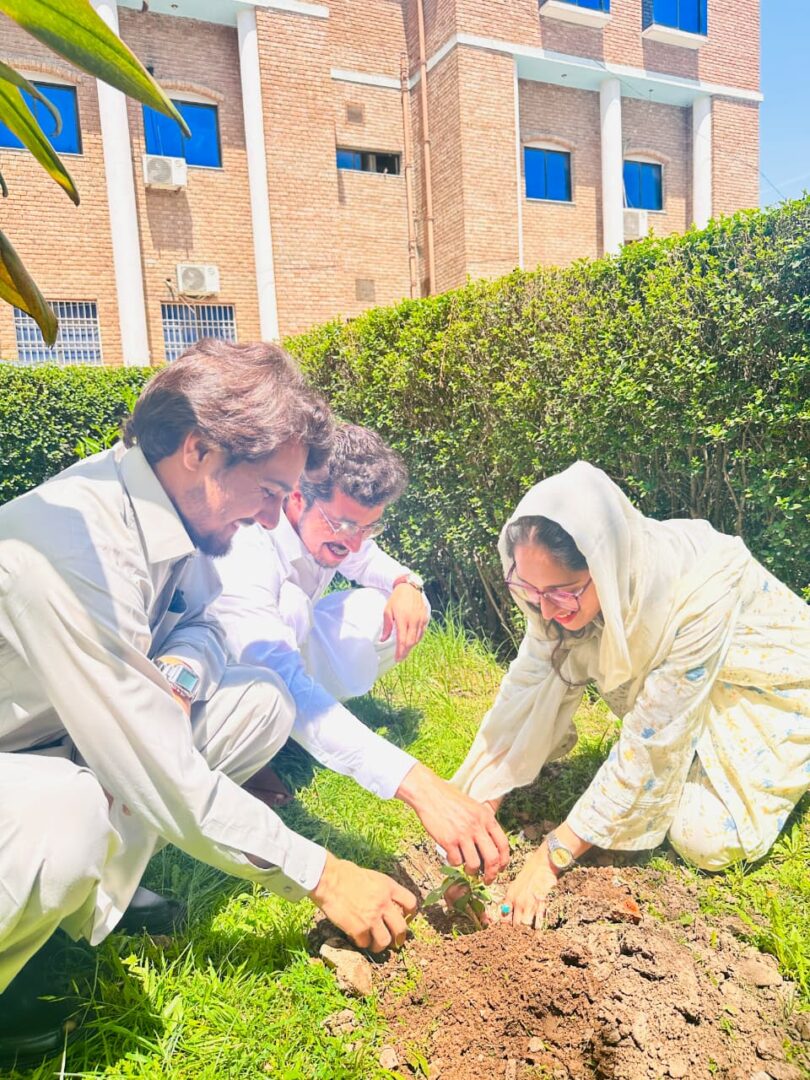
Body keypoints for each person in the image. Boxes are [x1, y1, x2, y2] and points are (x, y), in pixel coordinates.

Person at [0, 342, 416, 1067]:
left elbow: (207, 623)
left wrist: (184, 676)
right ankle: (23, 944)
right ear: (199, 449)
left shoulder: (178, 512)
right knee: (69, 811)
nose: (268, 519)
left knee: (258, 702)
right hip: (22, 760)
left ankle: (82, 896)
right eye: (267, 491)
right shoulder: (73, 544)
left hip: (60, 735)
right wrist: (324, 875)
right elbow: (154, 765)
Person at [452, 461, 810, 928]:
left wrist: (548, 859)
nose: (542, 609)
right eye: (527, 588)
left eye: (559, 594)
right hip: (688, 688)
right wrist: (478, 807)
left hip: (770, 686)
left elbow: (652, 739)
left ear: (605, 567)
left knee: (704, 838)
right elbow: (524, 692)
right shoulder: (555, 597)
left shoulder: (698, 594)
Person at [214, 423, 511, 884]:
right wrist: (420, 787)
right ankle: (251, 756)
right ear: (296, 498)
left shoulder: (331, 528)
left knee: (393, 610)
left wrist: (404, 583)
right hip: (218, 685)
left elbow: (365, 559)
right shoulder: (247, 549)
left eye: (369, 525)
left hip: (281, 662)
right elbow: (277, 672)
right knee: (290, 625)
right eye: (344, 524)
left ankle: (301, 729)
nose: (354, 540)